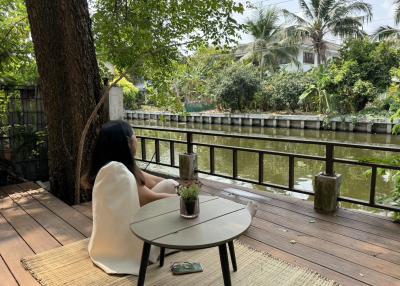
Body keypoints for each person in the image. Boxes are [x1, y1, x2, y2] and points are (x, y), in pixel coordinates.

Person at [87, 120, 178, 206]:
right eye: (134, 135)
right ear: (128, 141)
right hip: (134, 219)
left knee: (170, 184)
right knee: (170, 185)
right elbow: (148, 198)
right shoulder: (119, 172)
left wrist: (181, 188)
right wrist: (184, 198)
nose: (136, 139)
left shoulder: (110, 167)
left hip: (126, 214)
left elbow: (153, 181)